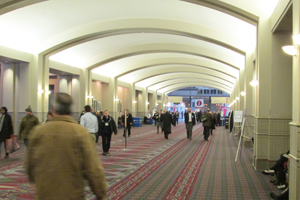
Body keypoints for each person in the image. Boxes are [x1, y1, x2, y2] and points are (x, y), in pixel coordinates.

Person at [26, 93, 107, 199]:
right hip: (72, 194)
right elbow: (93, 169)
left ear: (53, 109)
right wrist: (100, 193)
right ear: (70, 110)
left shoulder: (38, 132)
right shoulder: (81, 133)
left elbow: (29, 167)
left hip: (45, 194)